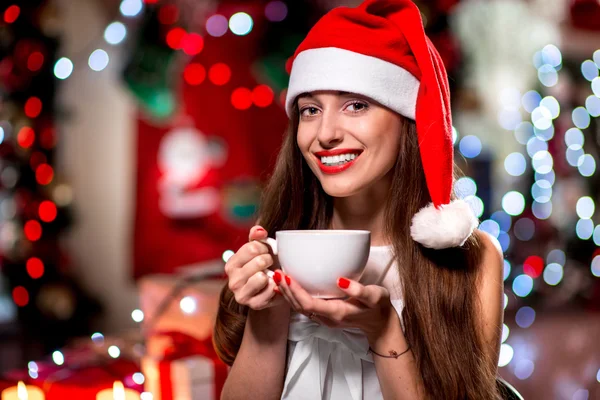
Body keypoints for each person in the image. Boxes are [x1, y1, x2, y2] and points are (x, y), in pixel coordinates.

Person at [213, 0, 505, 398]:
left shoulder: (474, 261)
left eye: (356, 105)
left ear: (406, 119)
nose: (325, 133)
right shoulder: (277, 251)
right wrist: (270, 312)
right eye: (310, 109)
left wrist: (384, 330)